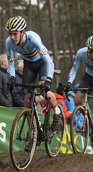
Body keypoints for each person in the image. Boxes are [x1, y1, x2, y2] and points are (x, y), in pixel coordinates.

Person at [5, 16, 62, 150]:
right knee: (27, 101)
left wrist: (48, 79)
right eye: (10, 34)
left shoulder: (33, 39)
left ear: (23, 32)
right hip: (29, 65)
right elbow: (11, 62)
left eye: (15, 34)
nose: (12, 37)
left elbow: (49, 61)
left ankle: (57, 111)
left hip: (42, 63)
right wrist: (12, 77)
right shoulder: (9, 43)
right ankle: (32, 134)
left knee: (45, 92)